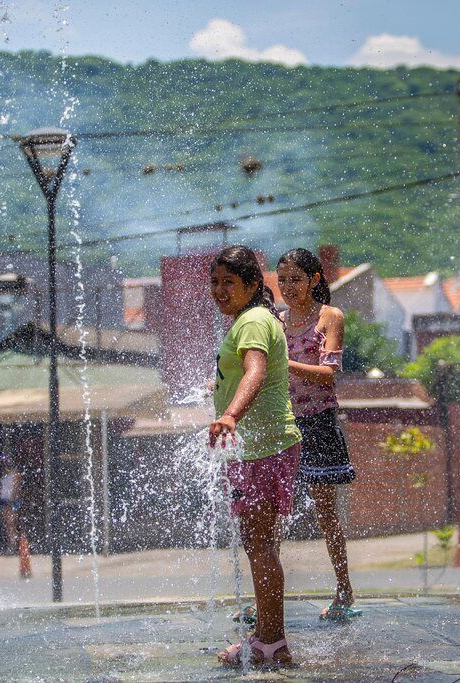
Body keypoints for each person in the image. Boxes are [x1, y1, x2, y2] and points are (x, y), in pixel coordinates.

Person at [209, 245, 302, 668]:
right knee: (258, 544)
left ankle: (271, 642)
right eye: (215, 282)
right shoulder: (254, 319)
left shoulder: (252, 320)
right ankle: (267, 633)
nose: (220, 290)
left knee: (261, 545)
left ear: (251, 285)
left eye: (230, 282)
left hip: (264, 447)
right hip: (259, 447)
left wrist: (229, 413)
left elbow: (256, 371)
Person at [276, 247, 359, 621]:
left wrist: (283, 361)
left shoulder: (330, 317)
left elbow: (328, 373)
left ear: (313, 280)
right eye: (282, 281)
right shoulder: (275, 321)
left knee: (326, 512)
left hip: (320, 422)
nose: (288, 287)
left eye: (296, 279)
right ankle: (267, 599)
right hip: (284, 425)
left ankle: (344, 590)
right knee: (272, 513)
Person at [0, 462, 22, 552]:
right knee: (7, 525)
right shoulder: (5, 473)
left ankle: (13, 545)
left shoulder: (15, 474)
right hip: (4, 500)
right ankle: (11, 544)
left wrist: (11, 501)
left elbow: (16, 488)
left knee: (11, 524)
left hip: (11, 501)